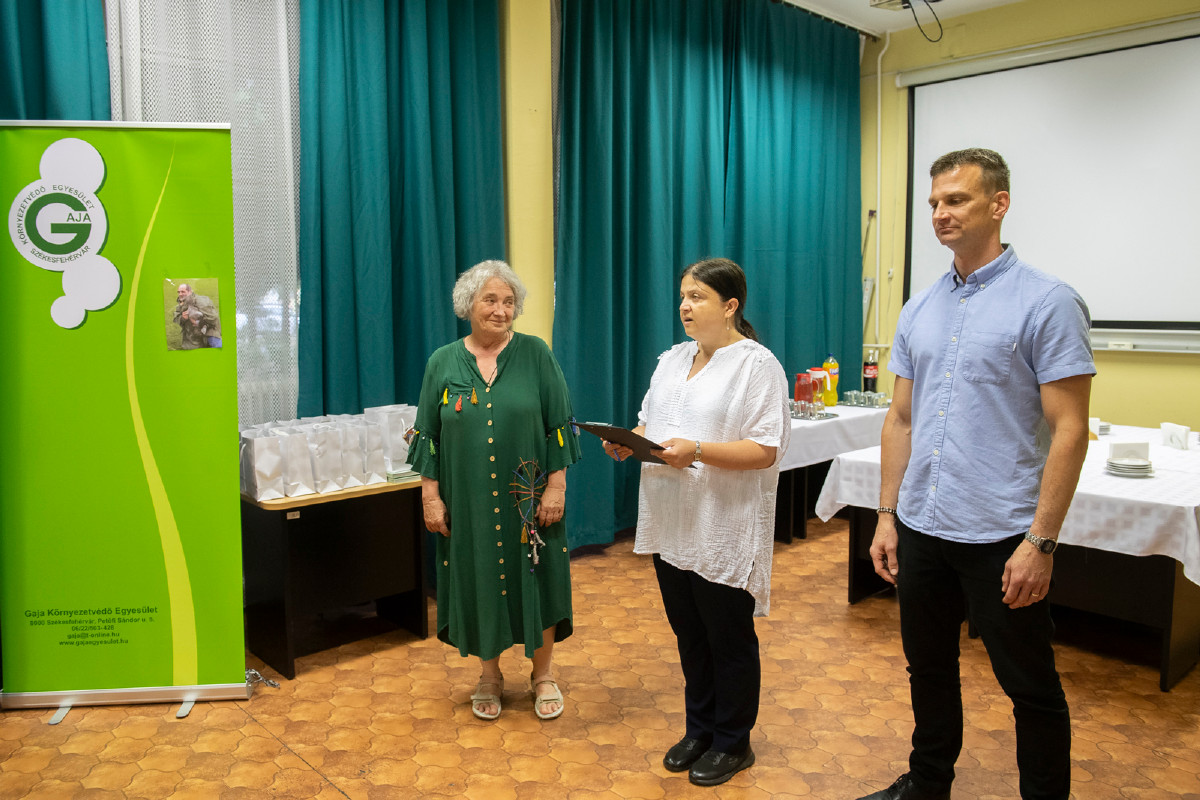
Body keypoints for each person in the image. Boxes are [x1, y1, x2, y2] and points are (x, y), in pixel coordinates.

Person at [858, 149, 1094, 800]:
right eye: (934, 202)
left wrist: (1040, 542)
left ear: (999, 204)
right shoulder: (919, 307)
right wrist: (886, 515)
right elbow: (900, 418)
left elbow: (1071, 429)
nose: (940, 212)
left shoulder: (1048, 302)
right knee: (928, 669)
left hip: (1002, 533)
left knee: (1030, 686)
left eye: (956, 199)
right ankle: (927, 782)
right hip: (923, 526)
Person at [603, 257, 790, 787]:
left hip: (723, 524)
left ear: (730, 306)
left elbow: (766, 449)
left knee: (727, 638)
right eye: (683, 296)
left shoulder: (756, 365)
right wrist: (631, 441)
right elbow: (652, 424)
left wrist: (700, 450)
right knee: (689, 633)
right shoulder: (672, 359)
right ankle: (699, 729)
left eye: (697, 297)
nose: (685, 306)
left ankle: (733, 741)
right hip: (672, 522)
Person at [410, 260, 581, 721]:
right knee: (479, 577)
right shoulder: (442, 362)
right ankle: (489, 675)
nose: (501, 310)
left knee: (539, 577)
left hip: (530, 501)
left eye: (509, 302)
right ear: (469, 304)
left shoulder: (536, 354)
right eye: (490, 300)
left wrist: (556, 488)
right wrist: (430, 496)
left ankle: (543, 675)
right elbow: (427, 436)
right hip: (468, 503)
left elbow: (558, 426)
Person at [173, 283, 221, 349]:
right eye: (178, 292)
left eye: (183, 292)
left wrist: (198, 322)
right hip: (193, 334)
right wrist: (183, 318)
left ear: (190, 292)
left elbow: (213, 318)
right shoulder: (181, 303)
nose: (180, 294)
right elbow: (176, 317)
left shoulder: (201, 301)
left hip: (209, 330)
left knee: (217, 347)